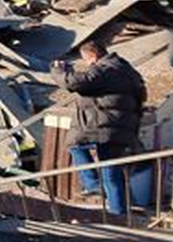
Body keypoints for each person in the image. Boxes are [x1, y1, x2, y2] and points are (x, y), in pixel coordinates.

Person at [51, 40, 146, 215]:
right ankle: (119, 213)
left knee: (75, 145)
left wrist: (59, 71)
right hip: (123, 126)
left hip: (107, 124)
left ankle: (93, 185)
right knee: (111, 172)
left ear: (93, 56)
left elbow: (75, 83)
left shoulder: (106, 68)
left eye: (86, 60)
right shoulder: (125, 69)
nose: (87, 65)